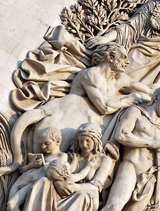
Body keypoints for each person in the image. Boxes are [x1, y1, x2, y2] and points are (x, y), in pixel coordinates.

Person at [8, 43, 151, 157]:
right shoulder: (90, 75)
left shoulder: (117, 79)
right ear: (111, 56)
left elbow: (137, 86)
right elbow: (104, 107)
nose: (127, 63)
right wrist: (128, 99)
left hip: (81, 126)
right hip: (66, 121)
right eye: (124, 57)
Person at [6, 127, 65, 211]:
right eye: (42, 144)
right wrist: (32, 165)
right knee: (9, 207)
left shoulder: (62, 156)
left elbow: (56, 173)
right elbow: (22, 170)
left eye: (47, 143)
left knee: (12, 204)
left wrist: (44, 166)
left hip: (35, 184)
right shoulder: (43, 156)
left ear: (57, 141)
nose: (43, 147)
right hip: (24, 180)